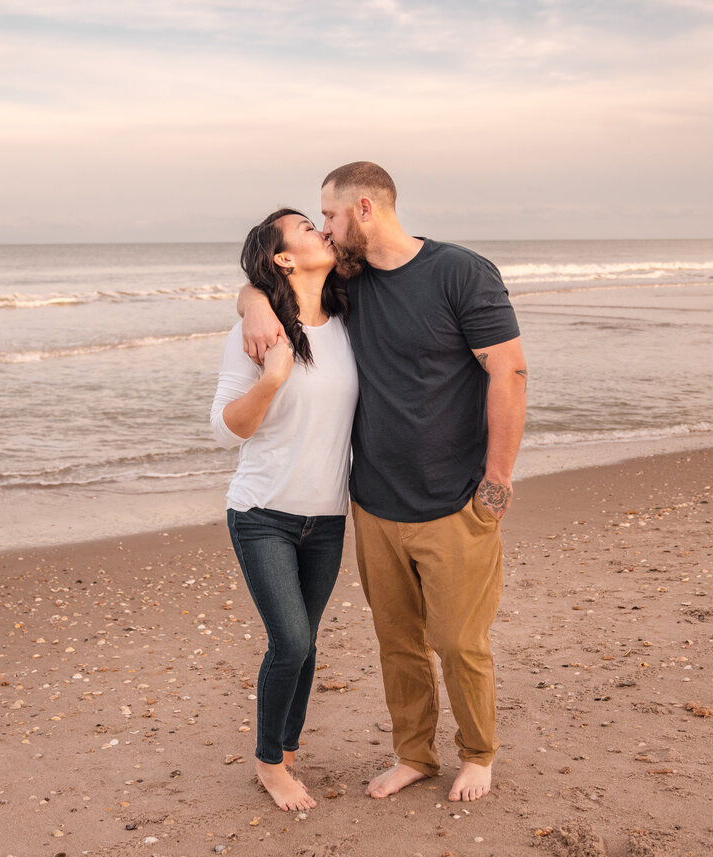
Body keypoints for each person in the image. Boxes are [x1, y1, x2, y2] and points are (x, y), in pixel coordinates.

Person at [239, 162, 527, 803]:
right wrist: (254, 300)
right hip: (372, 504)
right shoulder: (350, 283)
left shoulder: (460, 272)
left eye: (332, 217)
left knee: (458, 641)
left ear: (363, 209)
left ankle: (477, 754)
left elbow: (507, 372)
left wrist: (497, 481)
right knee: (398, 645)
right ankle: (415, 755)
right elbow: (274, 278)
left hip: (455, 501)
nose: (328, 231)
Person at [211, 208, 358, 812]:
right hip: (263, 511)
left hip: (327, 516)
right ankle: (269, 764)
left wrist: (250, 297)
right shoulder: (259, 334)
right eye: (304, 226)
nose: (320, 229)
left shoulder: (351, 318)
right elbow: (227, 431)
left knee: (307, 642)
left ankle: (287, 749)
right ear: (283, 258)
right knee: (291, 641)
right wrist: (270, 379)